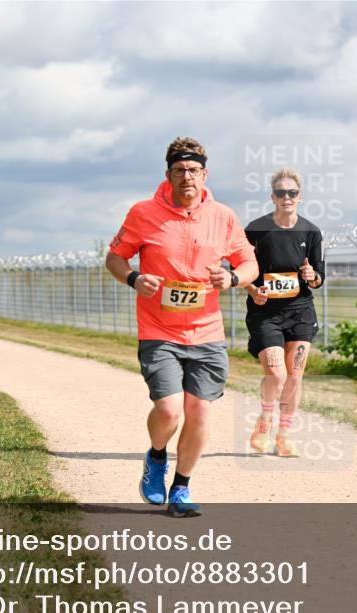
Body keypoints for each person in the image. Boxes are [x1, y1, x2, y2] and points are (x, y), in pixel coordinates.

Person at [105, 137, 258, 517]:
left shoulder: (223, 216)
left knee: (200, 411)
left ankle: (182, 489)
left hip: (207, 332)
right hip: (159, 329)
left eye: (193, 170)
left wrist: (234, 279)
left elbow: (249, 264)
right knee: (170, 410)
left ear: (204, 174)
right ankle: (157, 458)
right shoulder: (143, 212)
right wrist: (134, 278)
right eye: (179, 170)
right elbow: (114, 257)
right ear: (168, 174)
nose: (186, 177)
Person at [243, 167, 325, 457]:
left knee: (295, 376)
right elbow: (240, 270)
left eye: (292, 192)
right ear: (272, 196)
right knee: (276, 375)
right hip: (265, 313)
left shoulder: (311, 232)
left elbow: (318, 279)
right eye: (281, 193)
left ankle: (284, 435)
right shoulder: (256, 230)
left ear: (299, 196)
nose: (286, 197)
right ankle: (265, 420)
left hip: (300, 311)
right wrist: (254, 290)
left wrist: (311, 274)